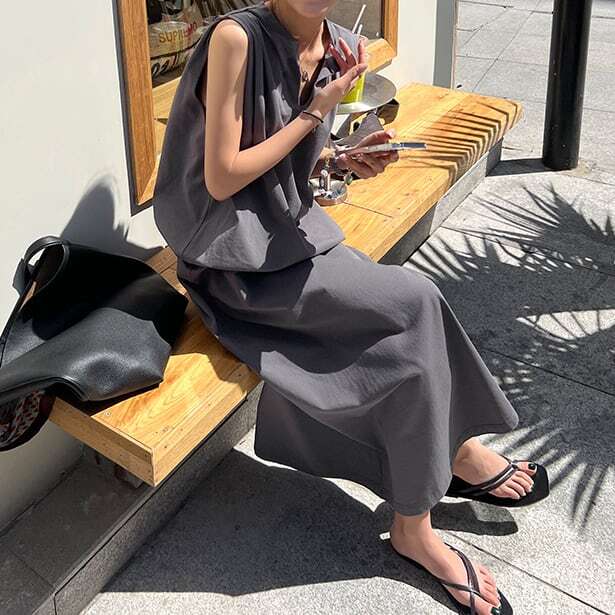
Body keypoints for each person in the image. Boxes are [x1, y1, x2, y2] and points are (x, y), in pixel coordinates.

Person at [152, 2, 550, 613]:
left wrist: (343, 158)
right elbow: (224, 177)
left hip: (288, 237)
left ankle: (448, 457)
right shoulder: (236, 38)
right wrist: (317, 111)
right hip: (234, 261)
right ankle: (419, 520)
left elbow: (290, 162)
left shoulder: (334, 44)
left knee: (412, 314)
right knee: (413, 304)